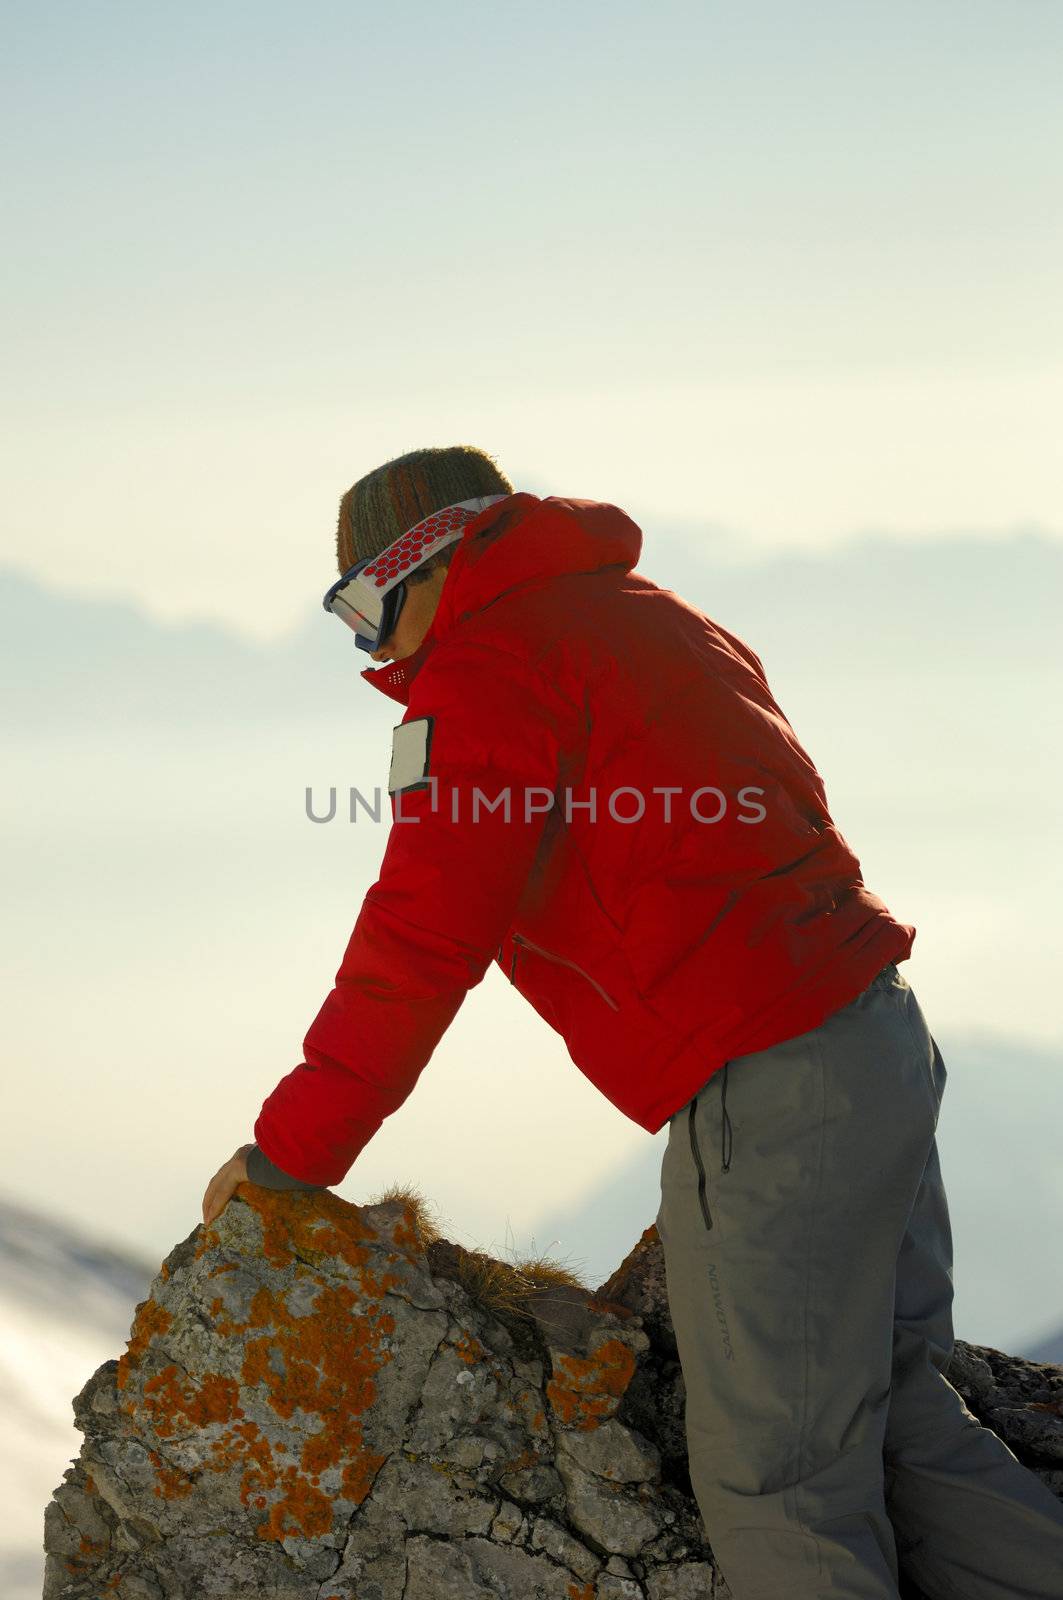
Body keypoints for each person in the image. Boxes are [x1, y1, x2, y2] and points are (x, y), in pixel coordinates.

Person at [201, 444, 1063, 1598]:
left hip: (768, 1084)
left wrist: (289, 1154)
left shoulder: (489, 667)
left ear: (424, 561)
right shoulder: (652, 614)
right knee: (902, 1411)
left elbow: (421, 936)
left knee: (779, 1481)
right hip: (873, 1037)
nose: (370, 647)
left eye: (359, 607)